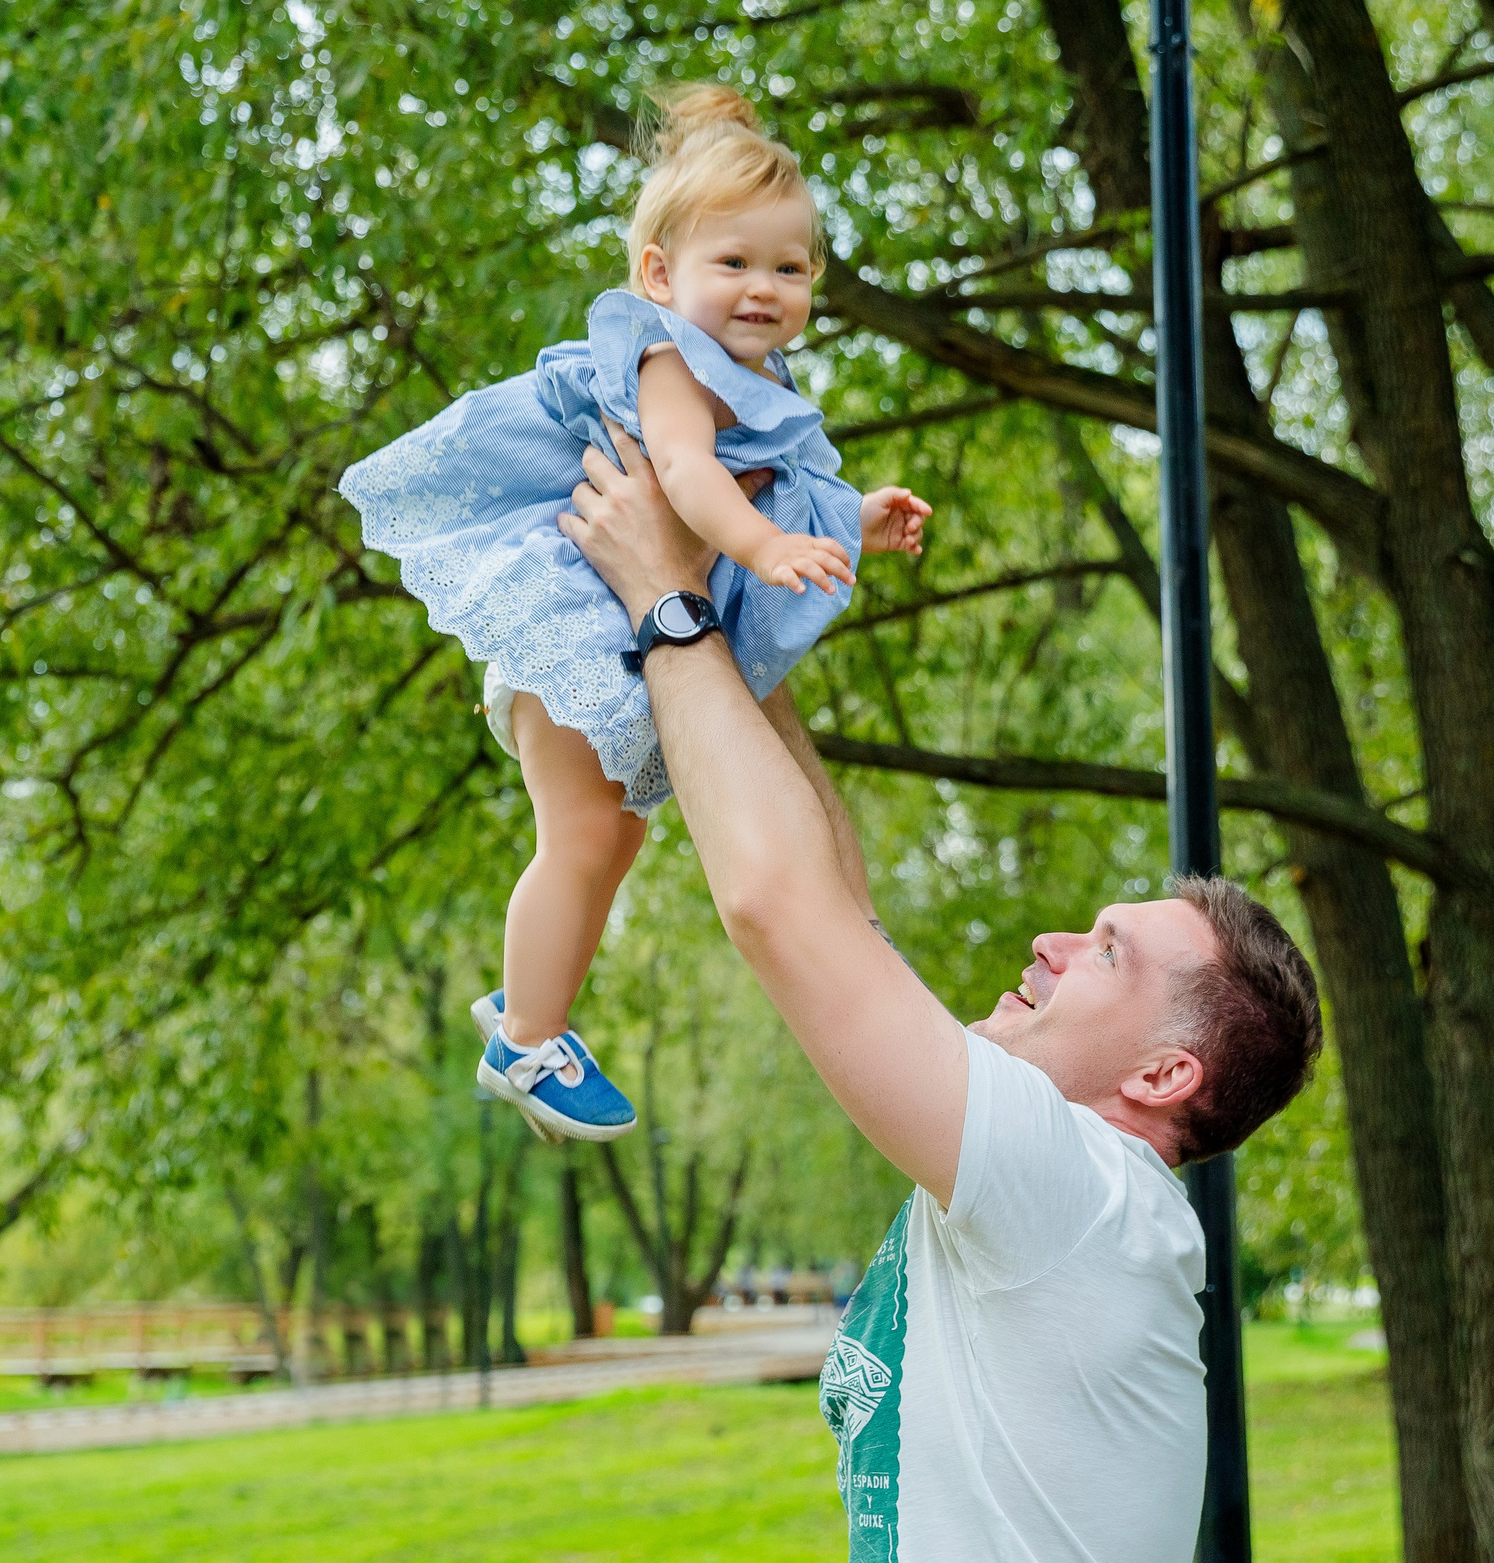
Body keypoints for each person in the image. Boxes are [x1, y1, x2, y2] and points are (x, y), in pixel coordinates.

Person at [554, 437, 1324, 1562]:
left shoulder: (1081, 1190)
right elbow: (836, 905)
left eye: (1105, 951)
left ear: (1162, 1075)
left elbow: (781, 906)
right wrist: (734, 609)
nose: (1051, 942)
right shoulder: (1065, 1190)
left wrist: (665, 603)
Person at [338, 85, 932, 1144]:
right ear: (659, 276)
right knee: (582, 836)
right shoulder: (667, 360)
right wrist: (760, 546)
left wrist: (852, 521)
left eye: (788, 269)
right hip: (573, 623)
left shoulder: (749, 375)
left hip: (606, 631)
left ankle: (528, 1006)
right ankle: (524, 1035)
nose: (764, 289)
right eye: (734, 264)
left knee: (605, 840)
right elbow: (691, 479)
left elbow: (766, 484)